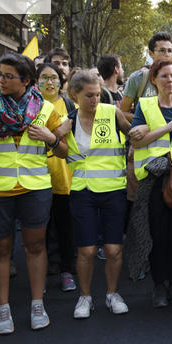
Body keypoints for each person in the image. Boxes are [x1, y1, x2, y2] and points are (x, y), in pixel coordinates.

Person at [0, 53, 68, 334]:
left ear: (26, 81)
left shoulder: (46, 109)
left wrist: (52, 138)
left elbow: (65, 150)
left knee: (35, 246)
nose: (0, 80)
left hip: (35, 188)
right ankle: (3, 310)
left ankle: (37, 304)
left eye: (8, 76)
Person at [128, 59, 172, 307]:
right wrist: (166, 128)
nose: (170, 80)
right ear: (154, 80)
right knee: (157, 234)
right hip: (154, 181)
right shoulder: (145, 106)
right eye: (165, 76)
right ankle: (159, 286)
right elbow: (136, 142)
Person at [64, 70, 131, 318]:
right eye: (89, 95)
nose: (95, 100)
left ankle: (112, 294)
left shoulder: (111, 112)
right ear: (75, 95)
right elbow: (59, 150)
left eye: (98, 94)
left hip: (113, 190)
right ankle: (85, 297)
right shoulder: (68, 120)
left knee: (113, 249)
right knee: (87, 251)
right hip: (83, 192)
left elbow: (132, 133)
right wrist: (54, 136)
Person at [35, 63, 77, 290]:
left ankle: (67, 269)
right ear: (35, 81)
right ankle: (42, 270)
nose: (49, 82)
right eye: (44, 78)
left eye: (54, 78)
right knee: (39, 230)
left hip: (64, 176)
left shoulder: (70, 105)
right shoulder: (30, 106)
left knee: (65, 227)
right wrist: (55, 133)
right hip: (36, 177)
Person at [120, 32, 172, 122]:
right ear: (151, 54)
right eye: (162, 50)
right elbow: (122, 112)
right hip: (146, 135)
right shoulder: (137, 78)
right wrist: (146, 123)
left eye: (170, 51)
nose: (167, 54)